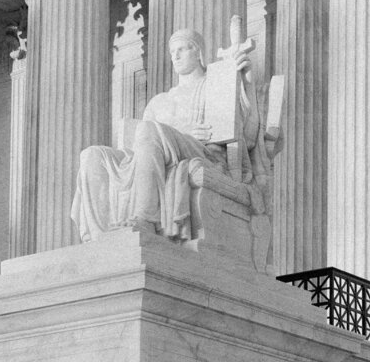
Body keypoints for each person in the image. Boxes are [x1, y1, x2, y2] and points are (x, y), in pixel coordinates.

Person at [72, 27, 257, 242]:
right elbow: (137, 150)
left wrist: (246, 80)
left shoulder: (213, 85)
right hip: (154, 153)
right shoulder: (159, 101)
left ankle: (145, 218)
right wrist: (182, 130)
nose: (175, 56)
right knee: (92, 155)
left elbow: (248, 133)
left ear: (198, 53)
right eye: (172, 52)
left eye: (181, 50)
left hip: (202, 151)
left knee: (148, 128)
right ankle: (99, 238)